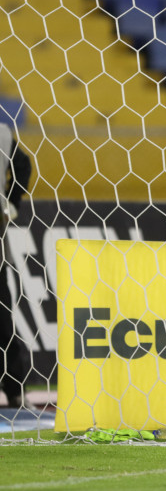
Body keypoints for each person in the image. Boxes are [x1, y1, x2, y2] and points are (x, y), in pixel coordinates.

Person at [0, 122, 32, 408]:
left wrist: (12, 203)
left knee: (1, 318)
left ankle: (14, 387)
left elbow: (23, 165)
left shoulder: (2, 134)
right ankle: (14, 388)